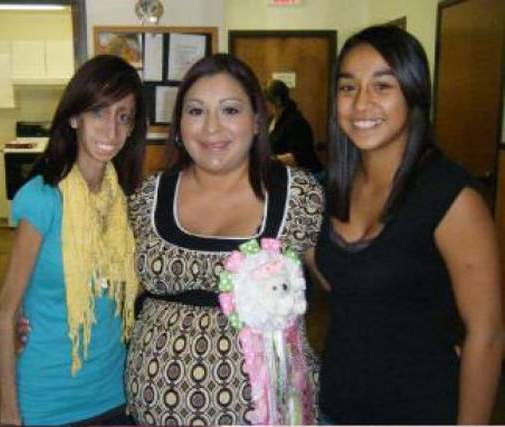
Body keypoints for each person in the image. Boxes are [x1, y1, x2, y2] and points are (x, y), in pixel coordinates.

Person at [313, 25, 503, 424]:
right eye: (348, 87)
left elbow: (487, 334)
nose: (361, 103)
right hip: (335, 407)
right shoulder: (332, 187)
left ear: (414, 93)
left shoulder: (451, 197)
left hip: (420, 410)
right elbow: (347, 280)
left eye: (382, 86)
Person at [124, 53, 324, 425]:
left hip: (271, 414)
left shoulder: (299, 195)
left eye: (230, 110)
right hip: (154, 410)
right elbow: (115, 289)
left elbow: (351, 284)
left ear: (257, 120)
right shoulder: (148, 197)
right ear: (179, 123)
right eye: (196, 111)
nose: (211, 128)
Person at [0, 54, 146, 425]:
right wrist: (9, 409)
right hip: (49, 400)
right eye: (99, 112)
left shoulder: (124, 202)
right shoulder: (43, 198)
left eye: (123, 117)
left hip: (115, 392)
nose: (111, 130)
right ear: (75, 117)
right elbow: (4, 313)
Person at [265, 79, 323, 174]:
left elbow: (298, 157)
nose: (263, 105)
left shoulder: (296, 122)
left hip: (305, 175)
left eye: (266, 101)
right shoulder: (272, 120)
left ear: (277, 101)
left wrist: (269, 159)